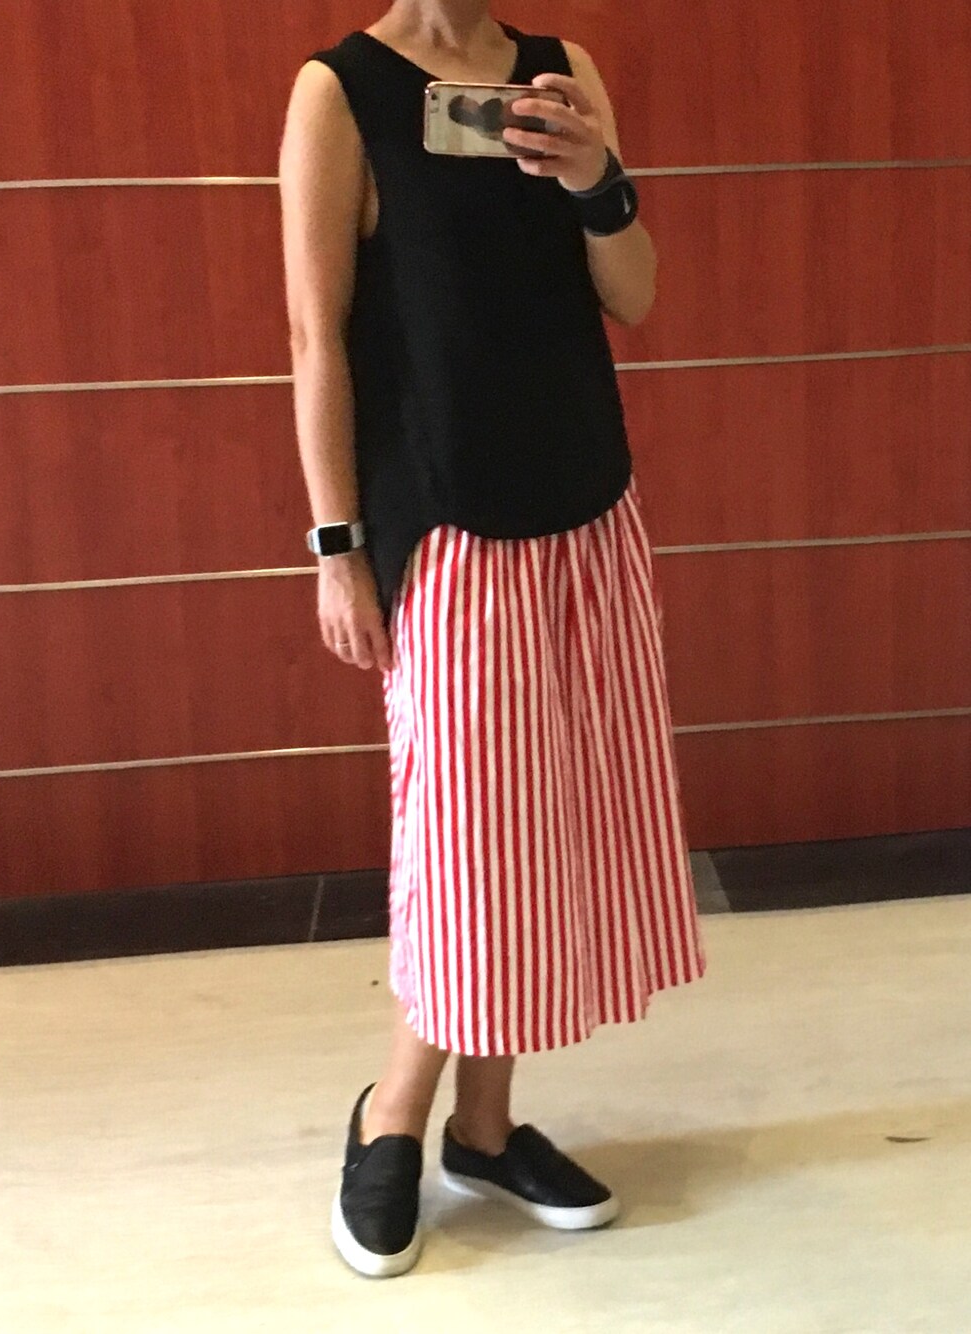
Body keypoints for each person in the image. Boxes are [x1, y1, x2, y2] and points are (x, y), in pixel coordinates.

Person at [278, 0, 708, 1280]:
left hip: (583, 500)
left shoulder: (560, 69)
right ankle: (391, 1113)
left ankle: (483, 1126)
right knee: (465, 837)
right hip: (443, 519)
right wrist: (337, 543)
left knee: (541, 826)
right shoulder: (338, 92)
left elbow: (635, 294)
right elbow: (314, 332)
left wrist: (594, 178)